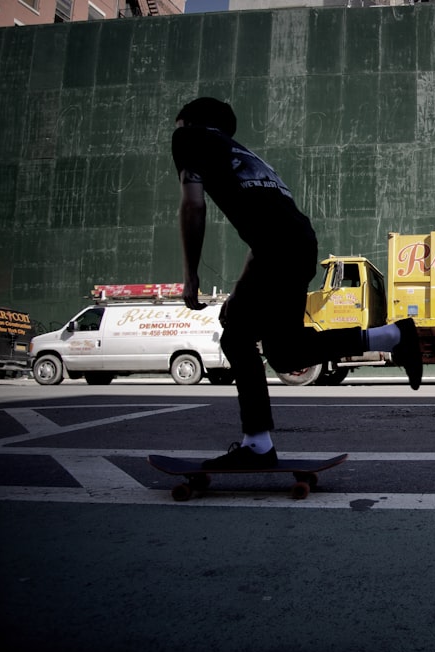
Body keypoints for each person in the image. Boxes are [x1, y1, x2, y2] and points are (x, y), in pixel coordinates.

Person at [172, 97, 422, 470]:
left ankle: (257, 445)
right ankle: (392, 337)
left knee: (236, 338)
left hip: (279, 249)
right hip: (298, 243)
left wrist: (190, 274)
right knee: (285, 353)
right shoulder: (249, 158)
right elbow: (265, 232)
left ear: (188, 121)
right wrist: (240, 290)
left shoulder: (189, 138)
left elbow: (193, 205)